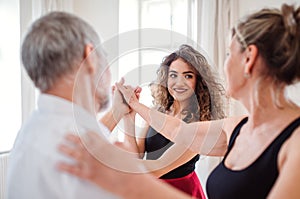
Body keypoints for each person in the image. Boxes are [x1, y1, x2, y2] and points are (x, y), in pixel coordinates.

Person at [57, 3, 300, 199]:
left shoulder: (295, 142)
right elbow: (178, 130)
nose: (224, 63)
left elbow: (163, 161)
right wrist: (134, 106)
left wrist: (126, 180)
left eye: (228, 53)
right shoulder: (236, 127)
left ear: (249, 58)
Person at [7, 11, 130, 199]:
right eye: (105, 58)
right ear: (90, 56)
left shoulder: (34, 128)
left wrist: (116, 112)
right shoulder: (86, 153)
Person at [120, 44, 224, 198]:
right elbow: (136, 156)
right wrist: (128, 117)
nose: (179, 83)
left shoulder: (201, 124)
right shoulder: (157, 111)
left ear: (199, 82)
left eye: (188, 76)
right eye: (173, 75)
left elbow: (159, 168)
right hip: (150, 188)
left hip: (181, 192)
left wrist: (110, 164)